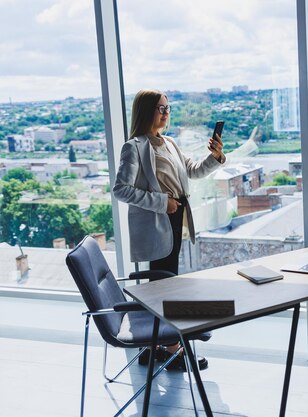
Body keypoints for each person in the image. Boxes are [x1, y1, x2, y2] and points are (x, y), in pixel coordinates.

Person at [113, 89, 225, 370]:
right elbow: (121, 190)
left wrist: (215, 157)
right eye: (159, 108)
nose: (165, 113)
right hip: (158, 221)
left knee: (167, 282)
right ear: (145, 111)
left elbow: (194, 171)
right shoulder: (134, 147)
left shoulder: (170, 143)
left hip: (176, 219)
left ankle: (157, 347)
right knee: (163, 285)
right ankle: (171, 348)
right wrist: (163, 203)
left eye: (167, 108)